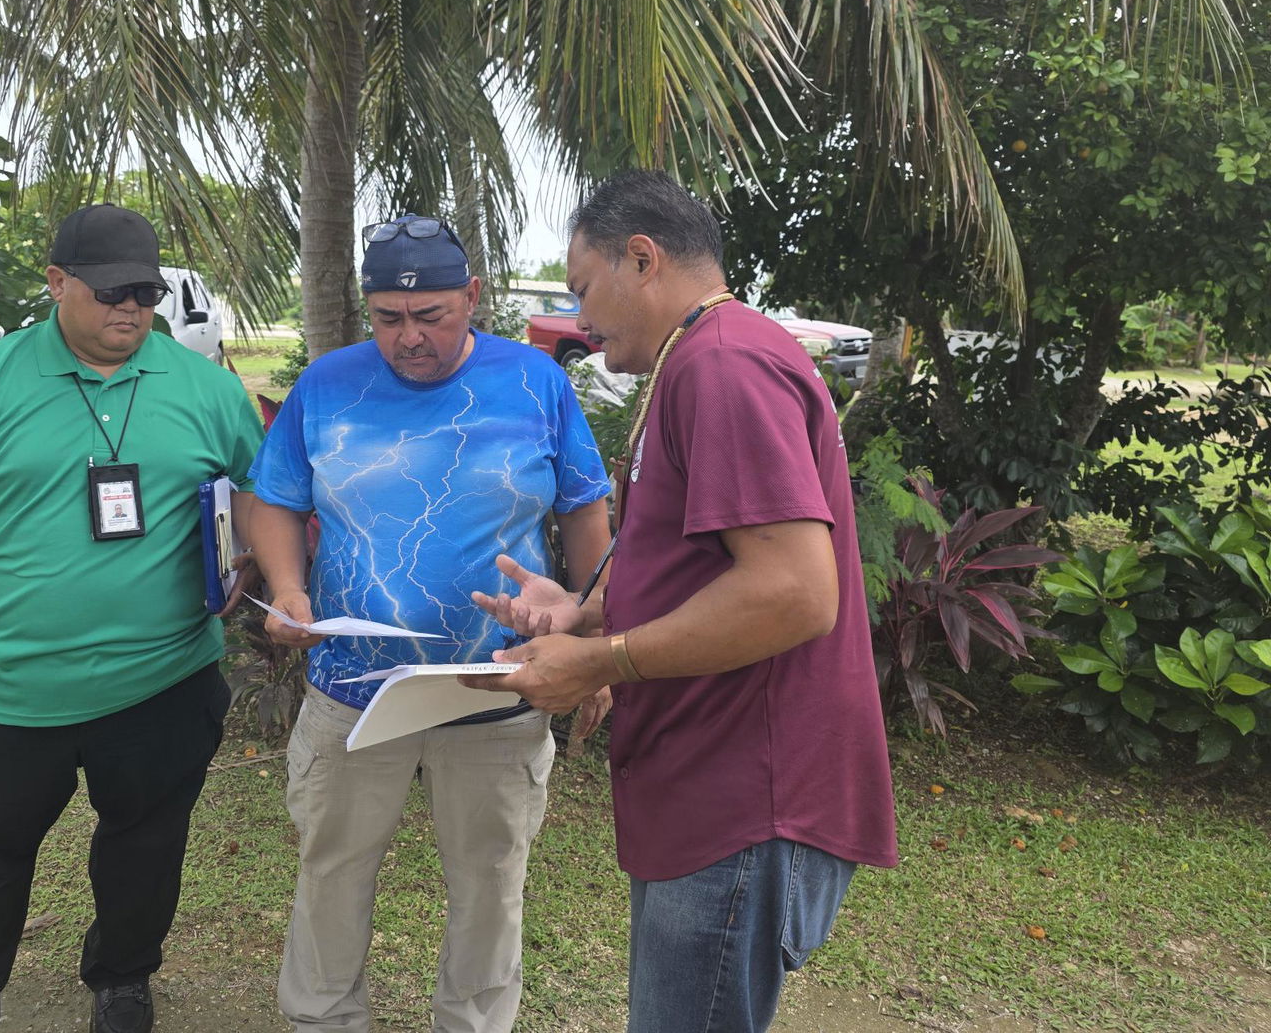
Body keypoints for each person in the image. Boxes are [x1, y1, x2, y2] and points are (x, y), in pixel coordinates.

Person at [464, 171, 898, 1033]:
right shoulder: (697, 359)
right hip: (710, 781)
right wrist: (584, 611)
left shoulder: (725, 365)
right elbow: (698, 560)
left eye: (584, 287)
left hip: (744, 793)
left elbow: (793, 592)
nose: (579, 318)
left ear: (643, 258)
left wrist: (601, 660)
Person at [0, 204, 264, 1033]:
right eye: (111, 291)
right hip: (4, 690)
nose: (131, 308)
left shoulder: (207, 389)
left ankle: (123, 976)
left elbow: (260, 491)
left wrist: (253, 559)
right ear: (56, 283)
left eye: (148, 293)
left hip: (163, 684)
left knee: (146, 848)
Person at [249, 213, 613, 1033]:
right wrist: (287, 586)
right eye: (388, 318)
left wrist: (585, 635)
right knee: (331, 870)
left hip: (498, 685)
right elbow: (276, 498)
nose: (408, 337)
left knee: (491, 881)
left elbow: (587, 511)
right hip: (351, 688)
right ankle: (323, 1021)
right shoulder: (328, 383)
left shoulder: (534, 381)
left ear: (472, 298)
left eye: (431, 316)